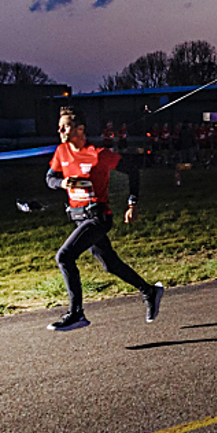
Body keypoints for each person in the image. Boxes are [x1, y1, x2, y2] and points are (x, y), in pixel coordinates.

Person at [44, 106, 162, 331]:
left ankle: (76, 313)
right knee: (110, 265)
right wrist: (61, 183)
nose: (60, 130)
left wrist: (132, 202)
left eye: (65, 126)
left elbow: (132, 170)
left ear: (80, 128)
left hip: (97, 217)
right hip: (79, 217)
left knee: (64, 257)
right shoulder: (61, 151)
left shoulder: (99, 153)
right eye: (59, 126)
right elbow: (50, 177)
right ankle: (150, 291)